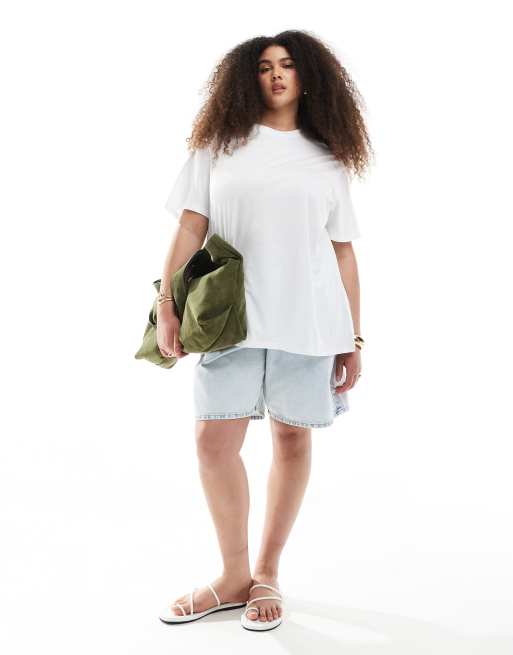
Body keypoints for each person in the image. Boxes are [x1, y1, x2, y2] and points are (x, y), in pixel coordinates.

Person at [156, 29, 372, 631]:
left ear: (308, 77)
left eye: (288, 64)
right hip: (230, 318)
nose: (276, 74)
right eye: (263, 66)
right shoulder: (219, 145)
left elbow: (343, 252)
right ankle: (232, 576)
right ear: (245, 79)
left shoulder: (328, 157)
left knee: (292, 440)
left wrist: (353, 338)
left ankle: (267, 572)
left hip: (309, 320)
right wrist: (166, 304)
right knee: (212, 442)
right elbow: (191, 226)